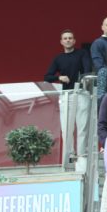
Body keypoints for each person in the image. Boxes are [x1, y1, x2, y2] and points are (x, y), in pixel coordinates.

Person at [44, 29, 92, 160]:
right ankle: (70, 154)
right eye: (65, 38)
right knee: (66, 128)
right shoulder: (58, 58)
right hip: (66, 95)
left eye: (70, 38)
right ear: (61, 42)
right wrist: (59, 77)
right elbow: (47, 76)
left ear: (74, 41)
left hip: (81, 93)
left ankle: (82, 154)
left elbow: (87, 70)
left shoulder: (82, 53)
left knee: (82, 126)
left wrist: (82, 81)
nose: (68, 40)